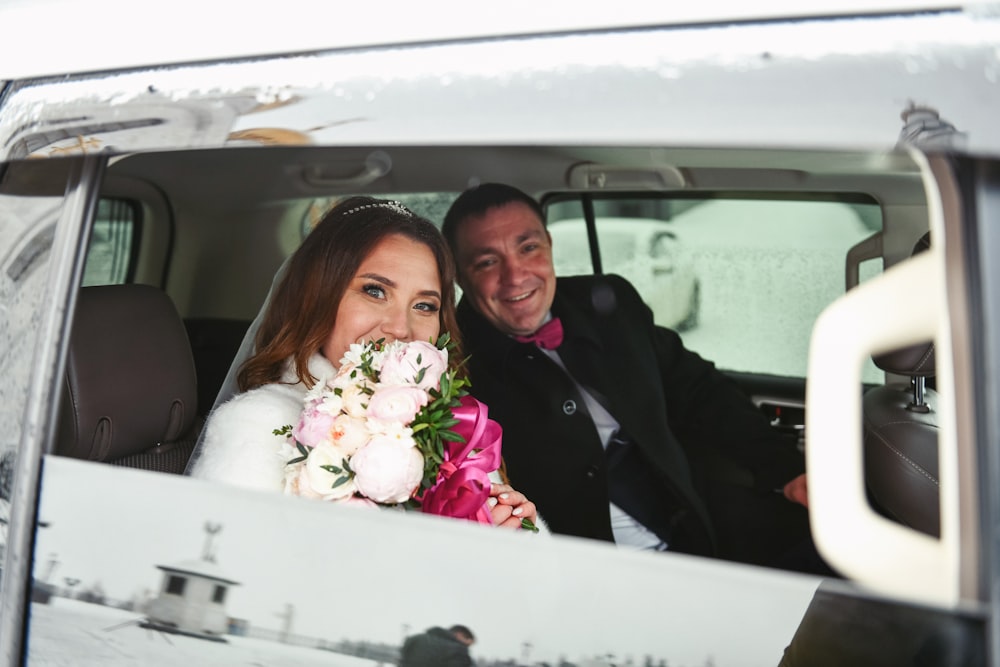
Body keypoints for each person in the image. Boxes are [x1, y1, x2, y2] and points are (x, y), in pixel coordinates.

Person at [442, 182, 825, 570]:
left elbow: (699, 390)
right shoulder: (454, 368)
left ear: (550, 246)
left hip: (694, 533)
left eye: (529, 248)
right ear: (459, 275)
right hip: (581, 572)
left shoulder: (612, 304)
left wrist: (785, 469)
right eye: (487, 262)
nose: (515, 276)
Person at [188, 196, 536, 530]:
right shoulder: (259, 421)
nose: (401, 328)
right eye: (374, 291)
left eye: (425, 305)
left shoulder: (453, 425)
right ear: (319, 297)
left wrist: (504, 530)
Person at [399, 625, 476, 667]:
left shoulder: (415, 638)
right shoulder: (460, 650)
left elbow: (402, 660)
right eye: (467, 644)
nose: (466, 647)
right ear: (459, 634)